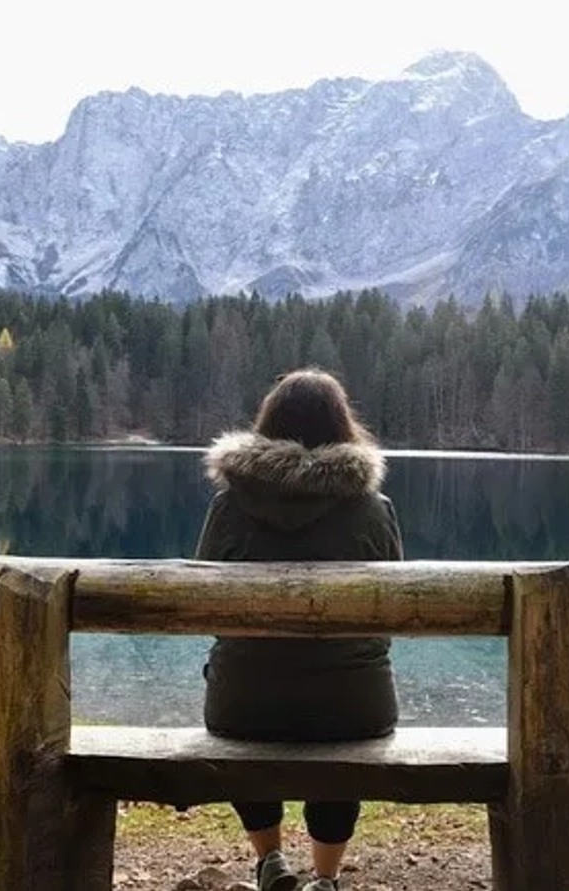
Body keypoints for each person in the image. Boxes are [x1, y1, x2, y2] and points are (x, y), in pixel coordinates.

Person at [195, 368, 403, 891]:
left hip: (243, 705)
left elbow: (202, 605)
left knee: (244, 697)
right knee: (343, 706)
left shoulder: (228, 506)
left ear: (267, 424)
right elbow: (395, 611)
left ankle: (271, 861)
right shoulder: (373, 510)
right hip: (355, 707)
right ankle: (326, 879)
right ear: (343, 427)